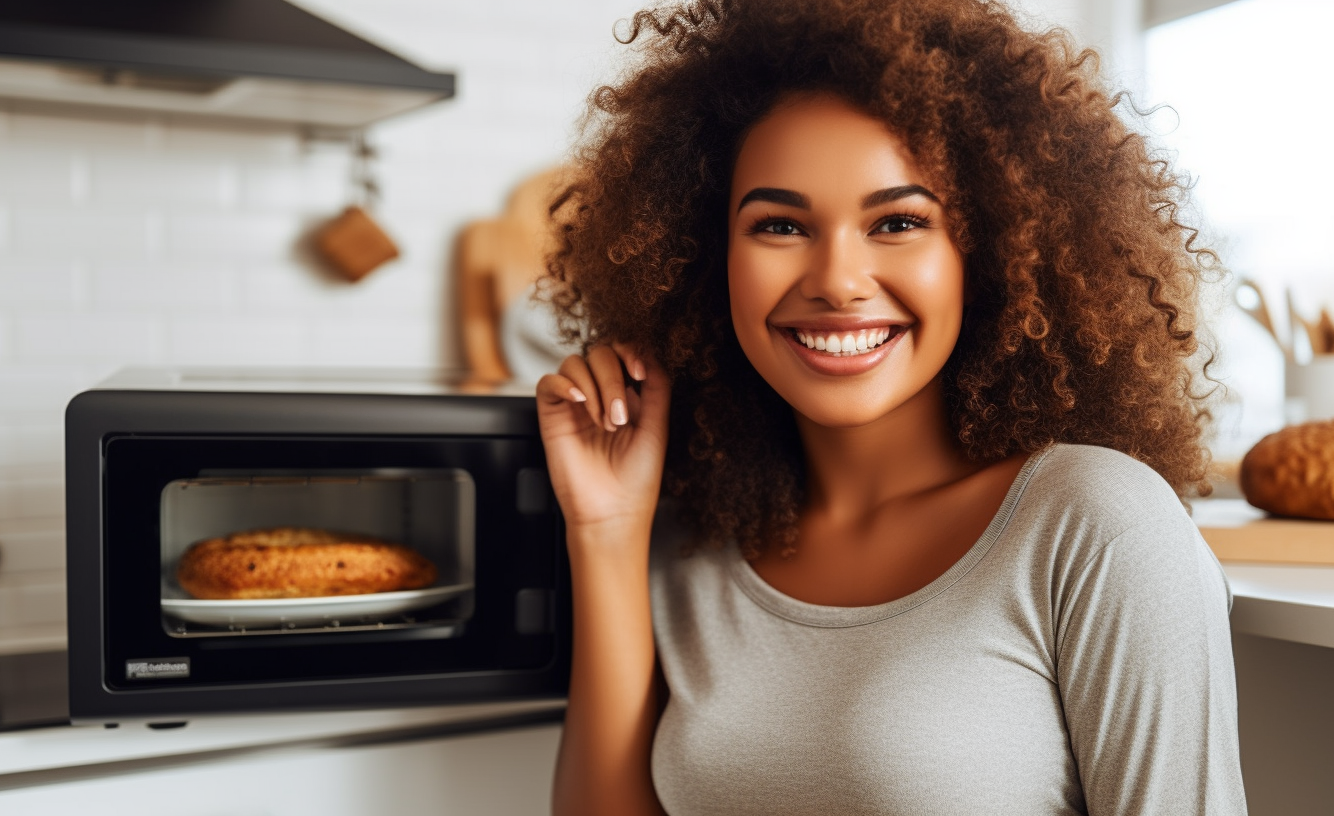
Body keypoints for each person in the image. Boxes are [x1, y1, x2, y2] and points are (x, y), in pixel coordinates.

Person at [534, 0, 1247, 813]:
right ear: (706, 257)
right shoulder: (690, 545)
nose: (837, 280)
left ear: (987, 251)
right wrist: (606, 532)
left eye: (899, 221)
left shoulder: (1097, 527)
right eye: (778, 226)